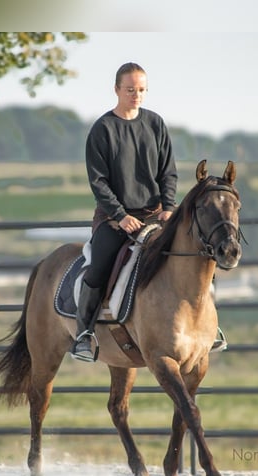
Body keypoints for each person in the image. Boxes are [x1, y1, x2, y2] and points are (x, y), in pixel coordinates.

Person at [70, 62, 177, 362]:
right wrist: (119, 215)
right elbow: (99, 182)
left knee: (193, 252)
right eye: (130, 90)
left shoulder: (155, 124)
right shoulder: (103, 129)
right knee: (100, 264)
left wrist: (169, 208)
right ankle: (83, 334)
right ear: (116, 89)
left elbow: (168, 172)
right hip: (115, 219)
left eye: (141, 90)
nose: (136, 96)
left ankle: (206, 327)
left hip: (155, 215)